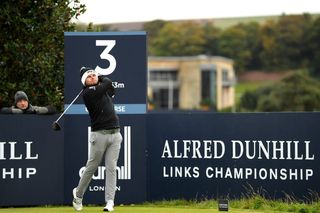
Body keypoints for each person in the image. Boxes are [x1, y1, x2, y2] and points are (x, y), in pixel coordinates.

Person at [72, 67, 122, 212]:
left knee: (112, 168)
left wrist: (99, 78)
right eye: (90, 77)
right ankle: (78, 195)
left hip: (115, 134)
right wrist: (100, 76)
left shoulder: (102, 89)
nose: (93, 77)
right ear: (84, 82)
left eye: (94, 75)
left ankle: (110, 202)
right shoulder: (88, 93)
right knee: (92, 167)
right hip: (99, 135)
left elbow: (111, 89)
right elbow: (108, 82)